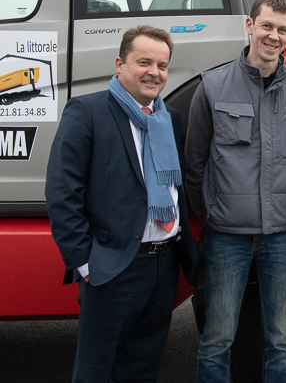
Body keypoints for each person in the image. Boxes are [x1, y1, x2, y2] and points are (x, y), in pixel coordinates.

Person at [46, 26, 201, 383]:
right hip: (112, 266)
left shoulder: (169, 119)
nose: (154, 72)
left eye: (162, 65)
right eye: (144, 61)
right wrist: (86, 263)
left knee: (143, 368)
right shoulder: (87, 111)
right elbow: (61, 192)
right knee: (96, 370)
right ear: (120, 64)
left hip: (163, 265)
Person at [186, 0, 286, 382]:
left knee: (280, 340)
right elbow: (194, 164)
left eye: (282, 29)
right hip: (227, 237)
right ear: (249, 26)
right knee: (217, 339)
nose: (273, 36)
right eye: (266, 26)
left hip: (282, 238)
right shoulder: (212, 87)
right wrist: (212, 212)